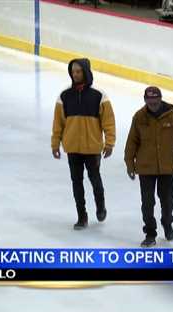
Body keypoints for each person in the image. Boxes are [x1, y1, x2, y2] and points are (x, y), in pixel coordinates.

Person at [51, 58, 116, 230]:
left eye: (78, 71)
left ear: (85, 72)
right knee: (76, 182)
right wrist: (55, 144)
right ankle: (82, 216)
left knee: (95, 179)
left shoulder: (99, 95)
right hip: (73, 148)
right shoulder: (64, 96)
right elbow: (58, 123)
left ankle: (100, 206)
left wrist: (109, 143)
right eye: (73, 72)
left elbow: (108, 122)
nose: (75, 74)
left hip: (92, 147)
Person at [124, 86, 173, 247]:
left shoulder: (172, 115)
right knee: (147, 202)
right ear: (145, 100)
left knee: (167, 200)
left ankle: (167, 223)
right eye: (149, 100)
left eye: (155, 99)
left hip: (167, 166)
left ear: (160, 99)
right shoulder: (139, 117)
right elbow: (132, 141)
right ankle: (150, 233)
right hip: (145, 167)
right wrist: (129, 163)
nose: (152, 103)